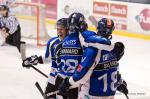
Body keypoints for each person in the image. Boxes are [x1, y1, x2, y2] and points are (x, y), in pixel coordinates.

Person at [58, 18, 128, 99]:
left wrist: (67, 83)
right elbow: (110, 71)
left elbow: (82, 75)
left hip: (91, 95)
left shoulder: (93, 50)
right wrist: (120, 82)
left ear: (97, 28)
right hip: (110, 96)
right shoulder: (114, 50)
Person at [22, 18, 69, 99]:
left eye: (62, 29)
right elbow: (48, 58)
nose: (59, 31)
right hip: (53, 78)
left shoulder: (74, 44)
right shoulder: (52, 42)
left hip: (67, 80)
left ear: (68, 30)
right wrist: (35, 60)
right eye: (58, 29)